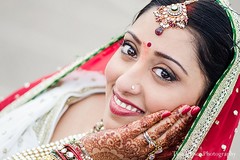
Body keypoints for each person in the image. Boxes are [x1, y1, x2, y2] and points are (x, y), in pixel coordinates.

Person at [0, 0, 239, 159]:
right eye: (130, 50)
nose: (124, 83)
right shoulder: (73, 91)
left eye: (164, 73)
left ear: (209, 104)